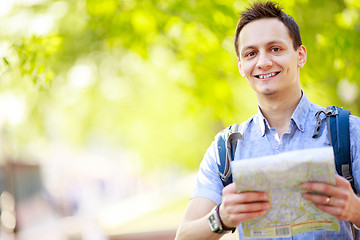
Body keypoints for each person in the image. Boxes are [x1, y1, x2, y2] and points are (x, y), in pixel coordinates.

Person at [174, 1, 360, 240]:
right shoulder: (226, 150)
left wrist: (355, 210)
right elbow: (184, 236)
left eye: (275, 49)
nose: (263, 62)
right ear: (241, 66)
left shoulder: (349, 132)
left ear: (300, 55)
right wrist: (221, 218)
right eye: (251, 53)